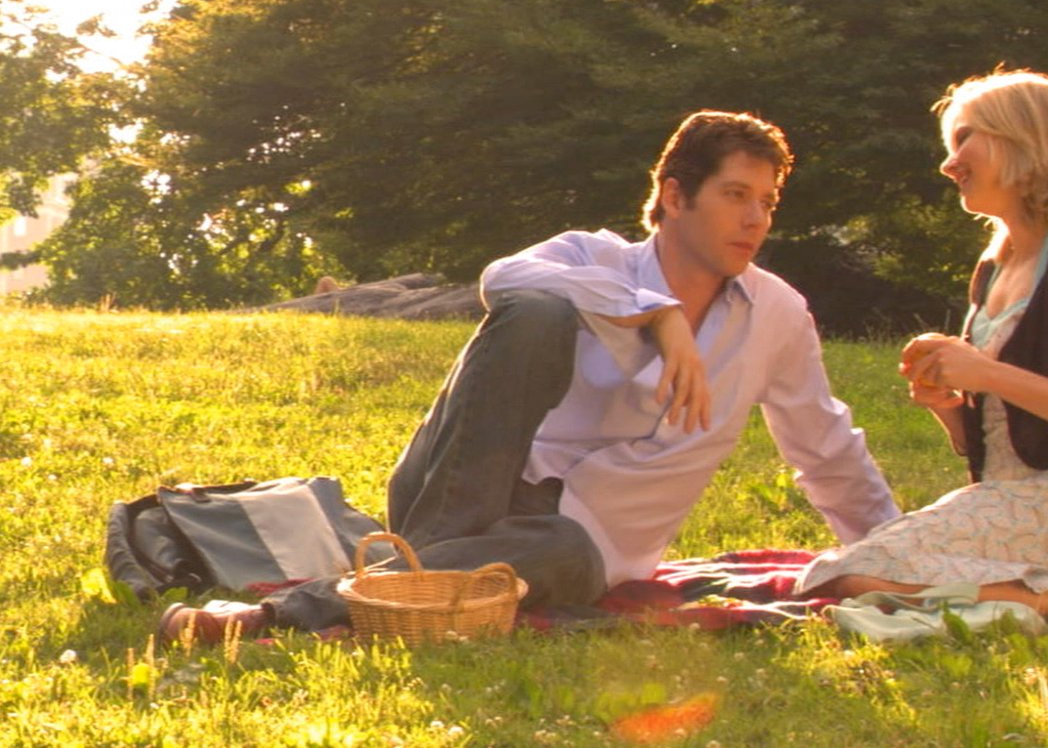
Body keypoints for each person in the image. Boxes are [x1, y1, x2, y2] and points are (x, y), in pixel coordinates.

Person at [161, 109, 901, 642]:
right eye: (736, 196)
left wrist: (897, 554)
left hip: (583, 541)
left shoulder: (776, 316)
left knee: (553, 553)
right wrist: (655, 313)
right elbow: (503, 278)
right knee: (539, 311)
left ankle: (311, 606)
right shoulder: (592, 257)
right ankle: (423, 576)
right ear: (675, 197)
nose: (757, 220)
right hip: (461, 489)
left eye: (767, 202)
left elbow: (824, 447)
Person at [795, 69, 1048, 626]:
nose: (949, 164)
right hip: (1011, 501)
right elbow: (999, 442)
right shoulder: (993, 267)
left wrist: (986, 373)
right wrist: (950, 405)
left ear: (1026, 140)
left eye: (965, 138)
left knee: (850, 573)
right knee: (847, 574)